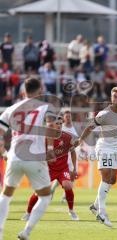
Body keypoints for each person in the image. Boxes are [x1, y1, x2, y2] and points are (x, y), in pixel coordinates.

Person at [0, 78, 58, 240]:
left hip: (14, 157)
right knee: (45, 197)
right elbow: (51, 126)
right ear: (40, 91)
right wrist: (51, 149)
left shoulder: (10, 109)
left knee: (6, 195)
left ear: (23, 91)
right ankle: (26, 232)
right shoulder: (45, 107)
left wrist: (4, 153)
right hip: (35, 157)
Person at [76, 86, 117, 227]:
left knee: (113, 179)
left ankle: (95, 205)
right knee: (106, 178)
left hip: (115, 148)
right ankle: (101, 213)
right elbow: (89, 127)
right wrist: (80, 140)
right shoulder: (104, 114)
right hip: (104, 147)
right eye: (115, 96)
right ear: (111, 98)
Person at [22, 113, 79, 221]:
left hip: (63, 169)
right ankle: (28, 213)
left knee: (68, 185)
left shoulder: (67, 137)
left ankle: (71, 211)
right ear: (52, 124)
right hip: (48, 170)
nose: (59, 125)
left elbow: (73, 152)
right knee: (39, 191)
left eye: (60, 124)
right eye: (56, 123)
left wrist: (74, 169)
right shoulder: (44, 138)